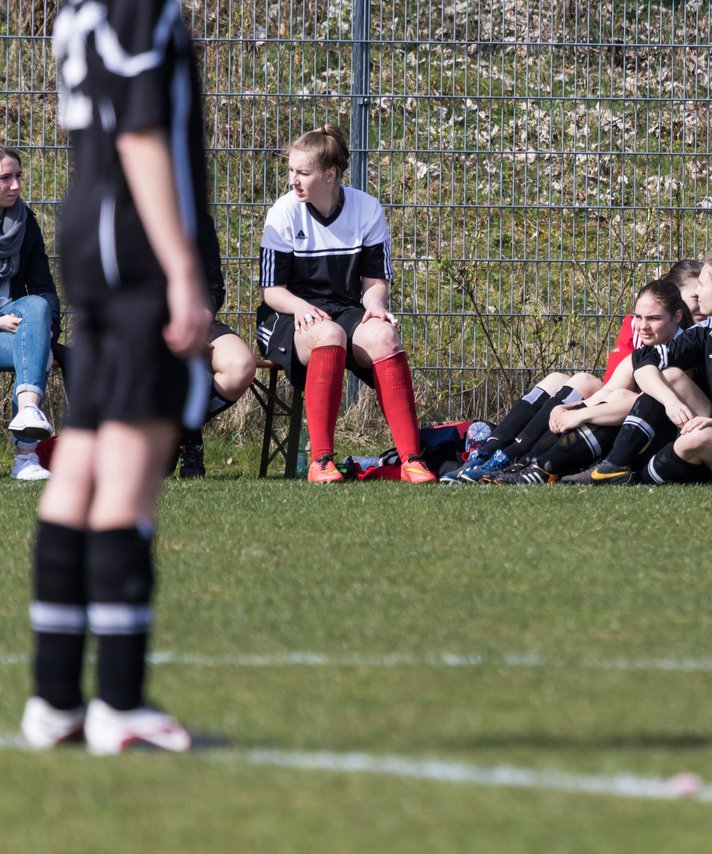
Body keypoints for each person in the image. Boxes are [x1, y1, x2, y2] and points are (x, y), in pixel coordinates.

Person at [22, 0, 214, 753]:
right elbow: (138, 133)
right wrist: (181, 267)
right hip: (133, 250)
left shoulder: (80, 7)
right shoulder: (139, 8)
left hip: (90, 239)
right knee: (129, 480)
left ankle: (57, 697)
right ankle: (120, 702)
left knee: (81, 468)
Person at [256, 124, 433, 483]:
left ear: (330, 174)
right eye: (291, 171)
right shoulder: (284, 212)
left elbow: (374, 285)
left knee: (384, 336)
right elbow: (272, 291)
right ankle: (321, 462)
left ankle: (412, 460)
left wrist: (377, 305)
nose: (293, 180)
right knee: (329, 335)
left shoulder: (366, 209)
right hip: (286, 315)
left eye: (303, 172)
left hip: (344, 310)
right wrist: (301, 307)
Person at [445, 259, 702, 483]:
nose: (643, 325)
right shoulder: (642, 332)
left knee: (611, 396)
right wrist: (571, 409)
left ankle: (529, 464)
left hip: (660, 431)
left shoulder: (689, 347)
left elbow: (637, 398)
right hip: (623, 406)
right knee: (566, 383)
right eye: (639, 317)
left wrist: (582, 413)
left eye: (653, 318)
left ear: (675, 313)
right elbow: (617, 380)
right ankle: (494, 455)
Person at [563, 252, 712, 486]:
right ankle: (613, 466)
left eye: (701, 285)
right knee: (669, 377)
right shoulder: (711, 329)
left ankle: (637, 482)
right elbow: (644, 360)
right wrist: (670, 401)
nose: (696, 293)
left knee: (701, 437)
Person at [174, 213, 256, 478]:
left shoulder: (198, 221)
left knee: (240, 366)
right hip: (144, 325)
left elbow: (213, 289)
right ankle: (183, 443)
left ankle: (179, 433)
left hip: (197, 318)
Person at [0, 145, 61, 481]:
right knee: (34, 351)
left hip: (16, 324)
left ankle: (27, 418)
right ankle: (26, 453)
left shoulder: (25, 223)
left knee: (37, 311)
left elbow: (43, 286)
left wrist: (47, 328)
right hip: (5, 325)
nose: (15, 185)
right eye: (5, 178)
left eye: (18, 176)